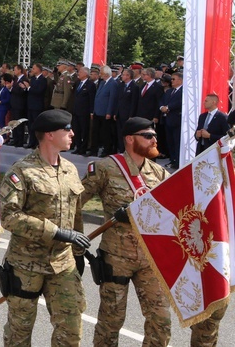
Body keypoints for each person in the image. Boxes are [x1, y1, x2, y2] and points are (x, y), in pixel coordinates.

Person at [0, 109, 89, 346]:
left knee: (71, 329)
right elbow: (8, 217)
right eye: (67, 129)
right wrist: (56, 232)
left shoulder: (70, 169)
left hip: (63, 263)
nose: (72, 134)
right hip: (26, 264)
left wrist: (78, 254)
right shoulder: (22, 171)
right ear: (49, 134)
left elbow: (75, 214)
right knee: (20, 331)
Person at [79, 117, 171, 346]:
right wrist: (73, 237)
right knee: (111, 320)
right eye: (148, 136)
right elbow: (74, 202)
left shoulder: (158, 173)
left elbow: (175, 206)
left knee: (161, 319)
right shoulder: (106, 167)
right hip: (116, 257)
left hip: (150, 259)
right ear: (130, 139)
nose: (154, 140)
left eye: (155, 136)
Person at [160, 72, 183, 169]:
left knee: (177, 141)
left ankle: (178, 161)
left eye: (173, 79)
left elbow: (180, 102)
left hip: (176, 120)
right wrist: (161, 107)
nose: (171, 81)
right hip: (167, 120)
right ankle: (172, 159)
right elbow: (162, 100)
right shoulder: (169, 91)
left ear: (180, 80)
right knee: (170, 141)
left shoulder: (183, 91)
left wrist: (168, 107)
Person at [72, 67, 95, 156]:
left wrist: (91, 111)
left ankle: (83, 148)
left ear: (86, 74)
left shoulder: (90, 84)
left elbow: (91, 99)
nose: (79, 73)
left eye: (80, 72)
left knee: (84, 130)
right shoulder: (78, 83)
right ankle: (78, 147)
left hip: (84, 111)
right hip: (76, 110)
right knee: (76, 130)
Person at [25, 63, 47, 148]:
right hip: (30, 105)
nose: (32, 70)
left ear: (38, 69)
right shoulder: (33, 79)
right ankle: (31, 142)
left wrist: (29, 88)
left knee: (37, 124)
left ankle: (38, 143)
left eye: (34, 68)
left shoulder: (43, 79)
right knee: (30, 125)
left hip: (37, 105)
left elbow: (39, 91)